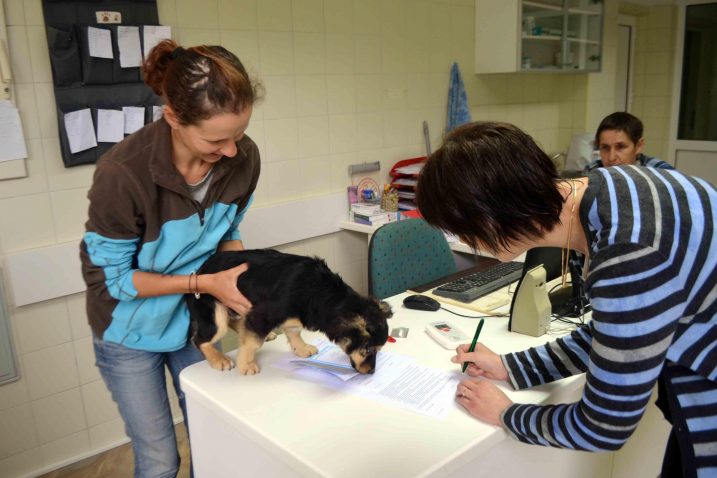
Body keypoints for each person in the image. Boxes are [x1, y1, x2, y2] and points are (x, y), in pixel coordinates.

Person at [416, 121, 717, 477]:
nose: (470, 245)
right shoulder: (609, 188)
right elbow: (617, 335)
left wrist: (505, 413)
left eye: (465, 232)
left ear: (491, 216)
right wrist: (513, 368)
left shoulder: (629, 252)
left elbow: (603, 426)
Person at [80, 39, 262, 476]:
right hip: (129, 330)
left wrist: (237, 282)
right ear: (174, 117)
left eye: (238, 134)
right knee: (160, 458)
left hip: (194, 319)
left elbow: (227, 229)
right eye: (217, 139)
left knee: (214, 435)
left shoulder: (243, 159)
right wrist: (206, 284)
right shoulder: (123, 174)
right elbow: (115, 281)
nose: (233, 150)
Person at [585, 111, 674, 171]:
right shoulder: (593, 171)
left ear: (639, 146)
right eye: (605, 147)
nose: (611, 158)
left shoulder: (660, 171)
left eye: (620, 147)